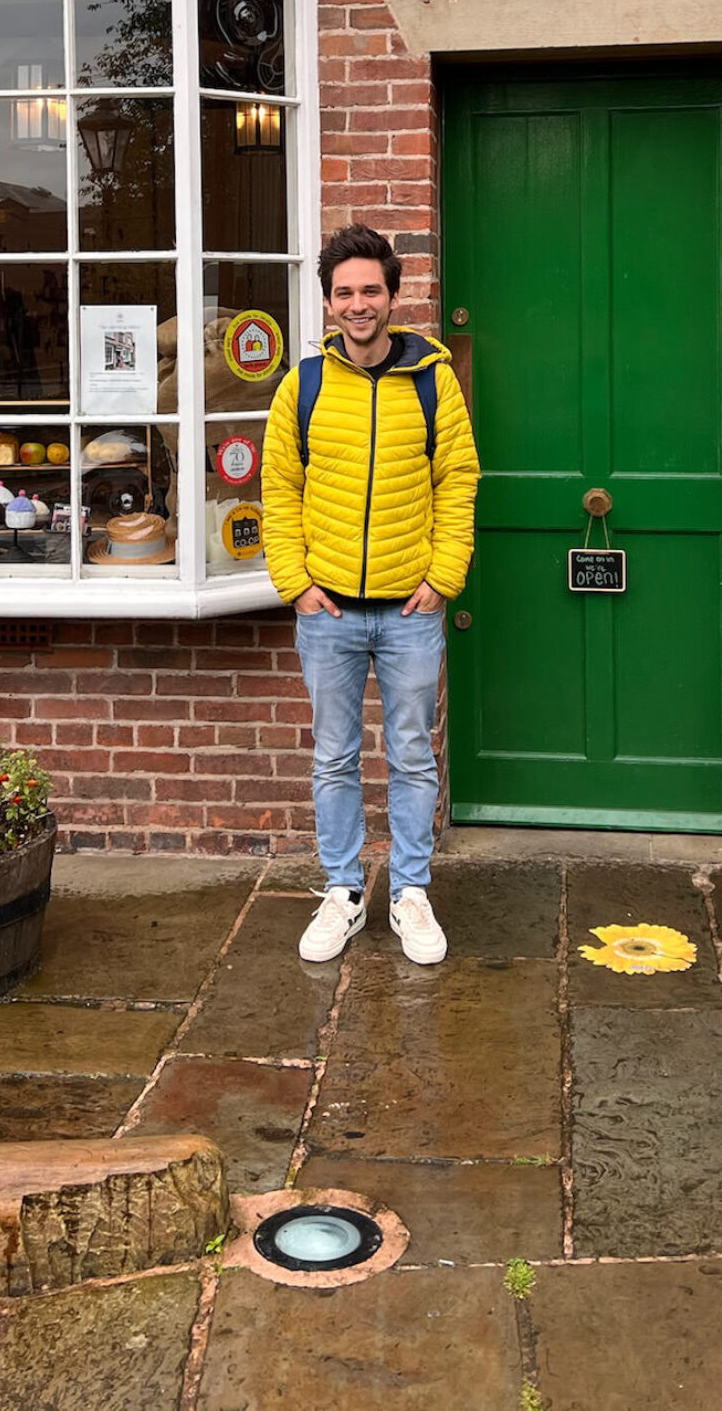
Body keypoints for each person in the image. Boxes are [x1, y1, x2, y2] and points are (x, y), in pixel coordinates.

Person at [262, 223, 480, 964]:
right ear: (328, 302)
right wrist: (296, 583)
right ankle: (344, 891)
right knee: (333, 757)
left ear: (392, 296)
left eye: (371, 291)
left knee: (414, 754)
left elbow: (458, 480)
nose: (358, 305)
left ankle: (411, 890)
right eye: (344, 292)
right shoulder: (305, 382)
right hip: (328, 613)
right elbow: (278, 487)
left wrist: (442, 576)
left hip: (410, 610)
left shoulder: (432, 379)